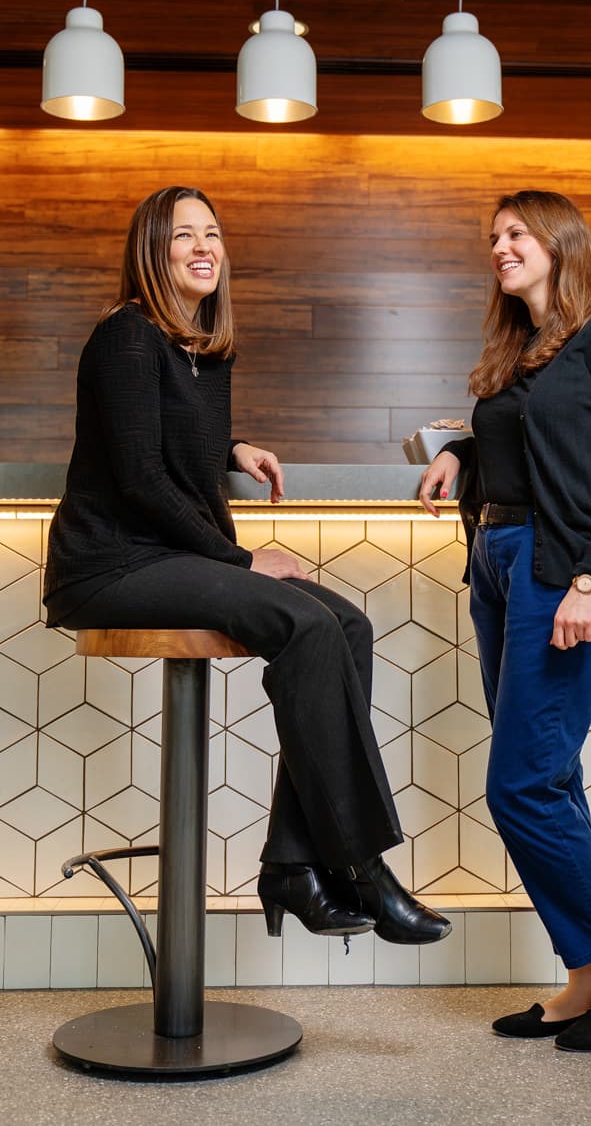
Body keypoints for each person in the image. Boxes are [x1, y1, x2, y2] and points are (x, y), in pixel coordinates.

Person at [44, 186, 449, 947]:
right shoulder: (126, 336)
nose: (203, 247)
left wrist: (230, 449)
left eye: (213, 234)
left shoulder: (203, 349)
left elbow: (165, 444)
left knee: (346, 623)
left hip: (164, 556)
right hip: (109, 566)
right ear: (151, 252)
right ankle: (359, 865)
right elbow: (136, 476)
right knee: (301, 620)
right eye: (182, 236)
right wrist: (240, 557)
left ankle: (293, 865)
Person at [419, 190, 591, 1052]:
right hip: (499, 563)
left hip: (564, 571)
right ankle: (583, 976)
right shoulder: (519, 350)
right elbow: (515, 442)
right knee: (548, 778)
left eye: (517, 233)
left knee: (519, 784)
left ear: (560, 242)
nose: (500, 247)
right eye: (492, 237)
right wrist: (458, 449)